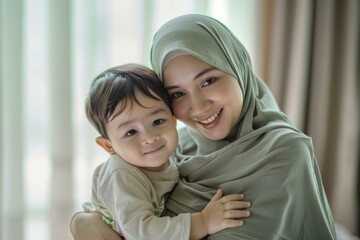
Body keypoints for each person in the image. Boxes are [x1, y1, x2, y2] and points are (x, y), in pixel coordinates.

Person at [71, 14, 337, 239]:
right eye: (177, 94)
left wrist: (88, 226)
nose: (198, 108)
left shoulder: (285, 153)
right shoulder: (176, 146)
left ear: (237, 68)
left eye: (208, 81)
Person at [74, 63, 251, 240]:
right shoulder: (122, 174)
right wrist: (204, 221)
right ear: (109, 146)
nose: (150, 137)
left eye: (158, 121)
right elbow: (141, 232)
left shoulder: (170, 153)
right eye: (131, 132)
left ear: (173, 120)